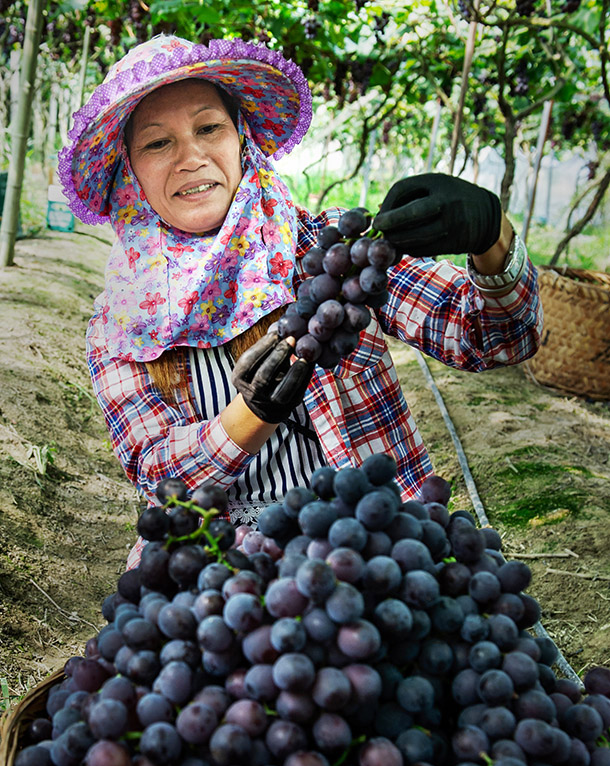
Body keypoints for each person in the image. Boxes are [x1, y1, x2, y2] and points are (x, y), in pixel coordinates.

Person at [58, 34, 542, 568]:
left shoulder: (325, 251)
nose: (191, 157)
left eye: (209, 128)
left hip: (371, 544)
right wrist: (248, 416)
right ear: (130, 171)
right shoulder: (122, 325)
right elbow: (158, 477)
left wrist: (492, 236)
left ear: (241, 138)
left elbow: (494, 338)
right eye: (157, 143)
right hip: (223, 571)